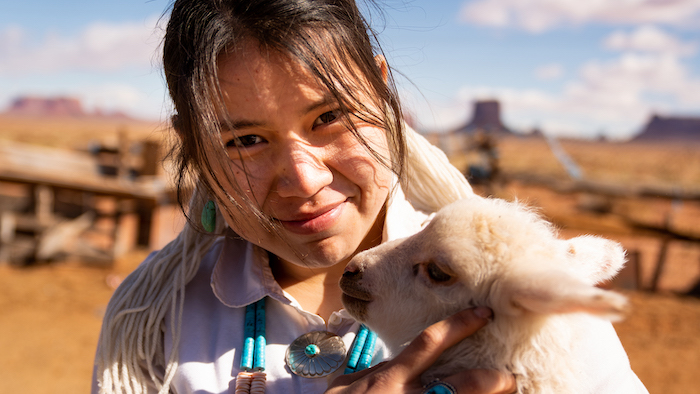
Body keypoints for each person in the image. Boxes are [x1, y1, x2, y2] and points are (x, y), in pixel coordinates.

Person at [92, 1, 648, 393]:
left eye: (329, 117)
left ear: (383, 93)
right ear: (195, 145)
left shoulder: (534, 306)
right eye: (245, 141)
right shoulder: (156, 321)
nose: (303, 181)